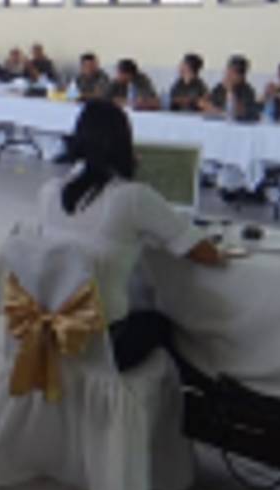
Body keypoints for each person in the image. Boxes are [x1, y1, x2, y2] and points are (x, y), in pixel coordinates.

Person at [42, 99, 223, 374]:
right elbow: (205, 254)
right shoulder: (133, 197)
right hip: (103, 341)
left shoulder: (49, 191)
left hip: (51, 328)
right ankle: (193, 393)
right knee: (163, 323)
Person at [199, 55, 258, 121]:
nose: (228, 75)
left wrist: (230, 90)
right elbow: (205, 104)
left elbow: (238, 111)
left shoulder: (247, 91)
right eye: (228, 70)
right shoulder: (220, 87)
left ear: (241, 76)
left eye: (233, 72)